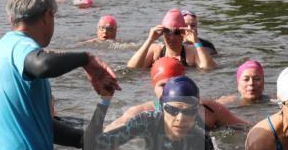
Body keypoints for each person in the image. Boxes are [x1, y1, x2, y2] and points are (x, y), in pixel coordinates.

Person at [0, 0, 119, 150]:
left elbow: (35, 122)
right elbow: (42, 65)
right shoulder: (20, 45)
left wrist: (84, 140)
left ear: (11, 19)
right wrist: (85, 59)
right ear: (47, 16)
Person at [84, 76, 216, 150]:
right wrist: (105, 100)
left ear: (196, 112)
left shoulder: (202, 140)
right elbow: (92, 144)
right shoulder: (147, 121)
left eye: (188, 111)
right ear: (162, 107)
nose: (180, 118)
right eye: (172, 110)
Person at [106, 57, 248, 133]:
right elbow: (108, 132)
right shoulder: (143, 113)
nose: (170, 91)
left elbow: (247, 128)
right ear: (153, 86)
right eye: (162, 85)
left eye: (174, 83)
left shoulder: (209, 110)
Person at [127, 8, 217, 70]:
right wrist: (150, 39)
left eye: (177, 32)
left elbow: (208, 68)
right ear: (162, 32)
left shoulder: (192, 52)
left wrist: (196, 41)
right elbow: (132, 68)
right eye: (167, 32)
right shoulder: (156, 50)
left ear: (183, 34)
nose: (172, 37)